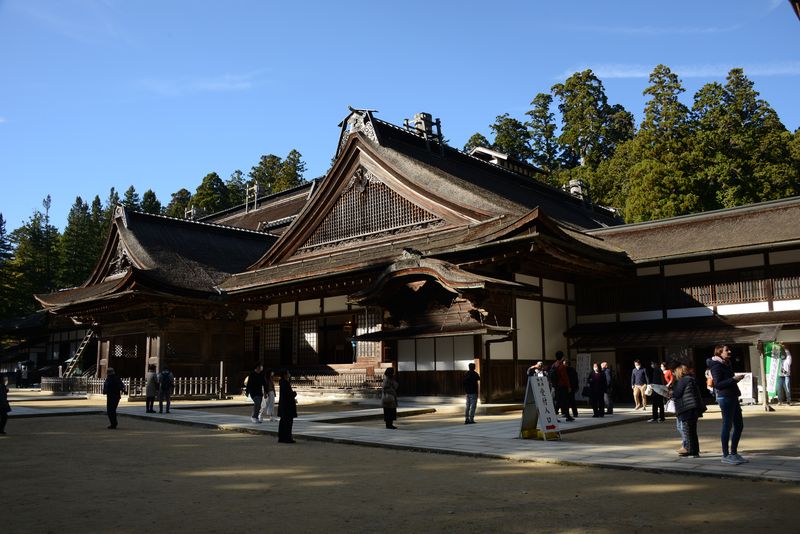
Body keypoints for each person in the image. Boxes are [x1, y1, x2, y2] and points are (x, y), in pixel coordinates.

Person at [707, 345, 747, 465]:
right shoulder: (716, 365)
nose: (729, 351)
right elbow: (718, 384)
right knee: (727, 425)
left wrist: (735, 379)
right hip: (725, 397)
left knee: (739, 425)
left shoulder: (726, 363)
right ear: (719, 352)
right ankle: (725, 455)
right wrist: (734, 379)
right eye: (726, 350)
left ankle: (733, 453)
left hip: (733, 396)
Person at [672, 364, 705, 458]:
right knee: (692, 431)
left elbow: (677, 394)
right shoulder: (691, 379)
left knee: (688, 431)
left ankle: (689, 450)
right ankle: (694, 451)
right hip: (693, 408)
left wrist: (670, 392)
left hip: (687, 408)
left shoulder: (683, 381)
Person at [551, 356, 574, 422]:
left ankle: (554, 416)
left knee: (558, 402)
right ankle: (568, 416)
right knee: (565, 401)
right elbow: (565, 377)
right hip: (562, 386)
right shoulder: (561, 366)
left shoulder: (554, 364)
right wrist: (569, 386)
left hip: (556, 386)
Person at [277, 369, 297, 443]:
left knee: (283, 422)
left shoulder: (282, 382)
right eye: (288, 373)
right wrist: (294, 394)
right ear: (285, 375)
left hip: (284, 405)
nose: (289, 374)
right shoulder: (285, 383)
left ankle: (282, 437)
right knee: (287, 423)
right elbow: (288, 395)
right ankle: (287, 438)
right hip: (287, 406)